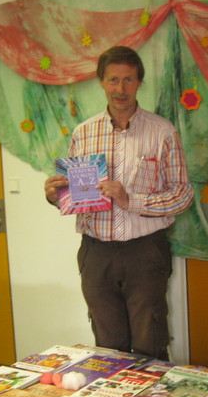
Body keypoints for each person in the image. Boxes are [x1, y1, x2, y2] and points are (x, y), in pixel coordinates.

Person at [44, 46, 193, 360]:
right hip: (96, 252)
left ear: (139, 83)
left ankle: (153, 393)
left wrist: (130, 200)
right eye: (113, 80)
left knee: (150, 341)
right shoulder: (84, 133)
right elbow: (75, 196)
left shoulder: (162, 132)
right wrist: (56, 196)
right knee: (107, 344)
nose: (120, 89)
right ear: (101, 82)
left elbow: (182, 195)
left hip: (145, 251)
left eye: (128, 80)